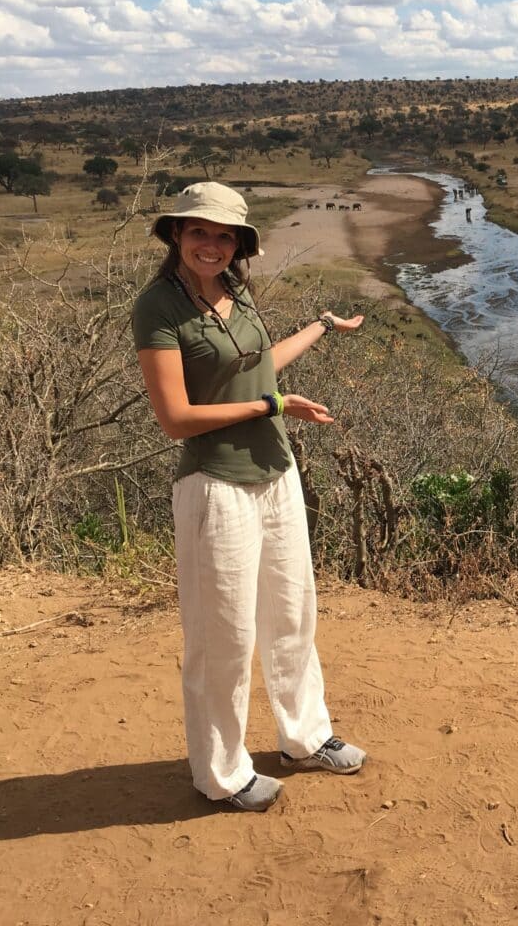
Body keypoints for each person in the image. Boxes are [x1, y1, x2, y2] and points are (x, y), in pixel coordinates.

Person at [132, 181, 366, 812]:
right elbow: (176, 418)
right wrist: (272, 406)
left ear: (238, 245)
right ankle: (222, 773)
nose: (212, 244)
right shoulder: (158, 308)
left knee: (292, 614)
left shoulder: (237, 293)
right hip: (215, 486)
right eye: (200, 231)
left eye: (224, 235)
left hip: (276, 472)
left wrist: (320, 325)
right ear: (177, 235)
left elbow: (263, 365)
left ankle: (304, 736)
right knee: (223, 636)